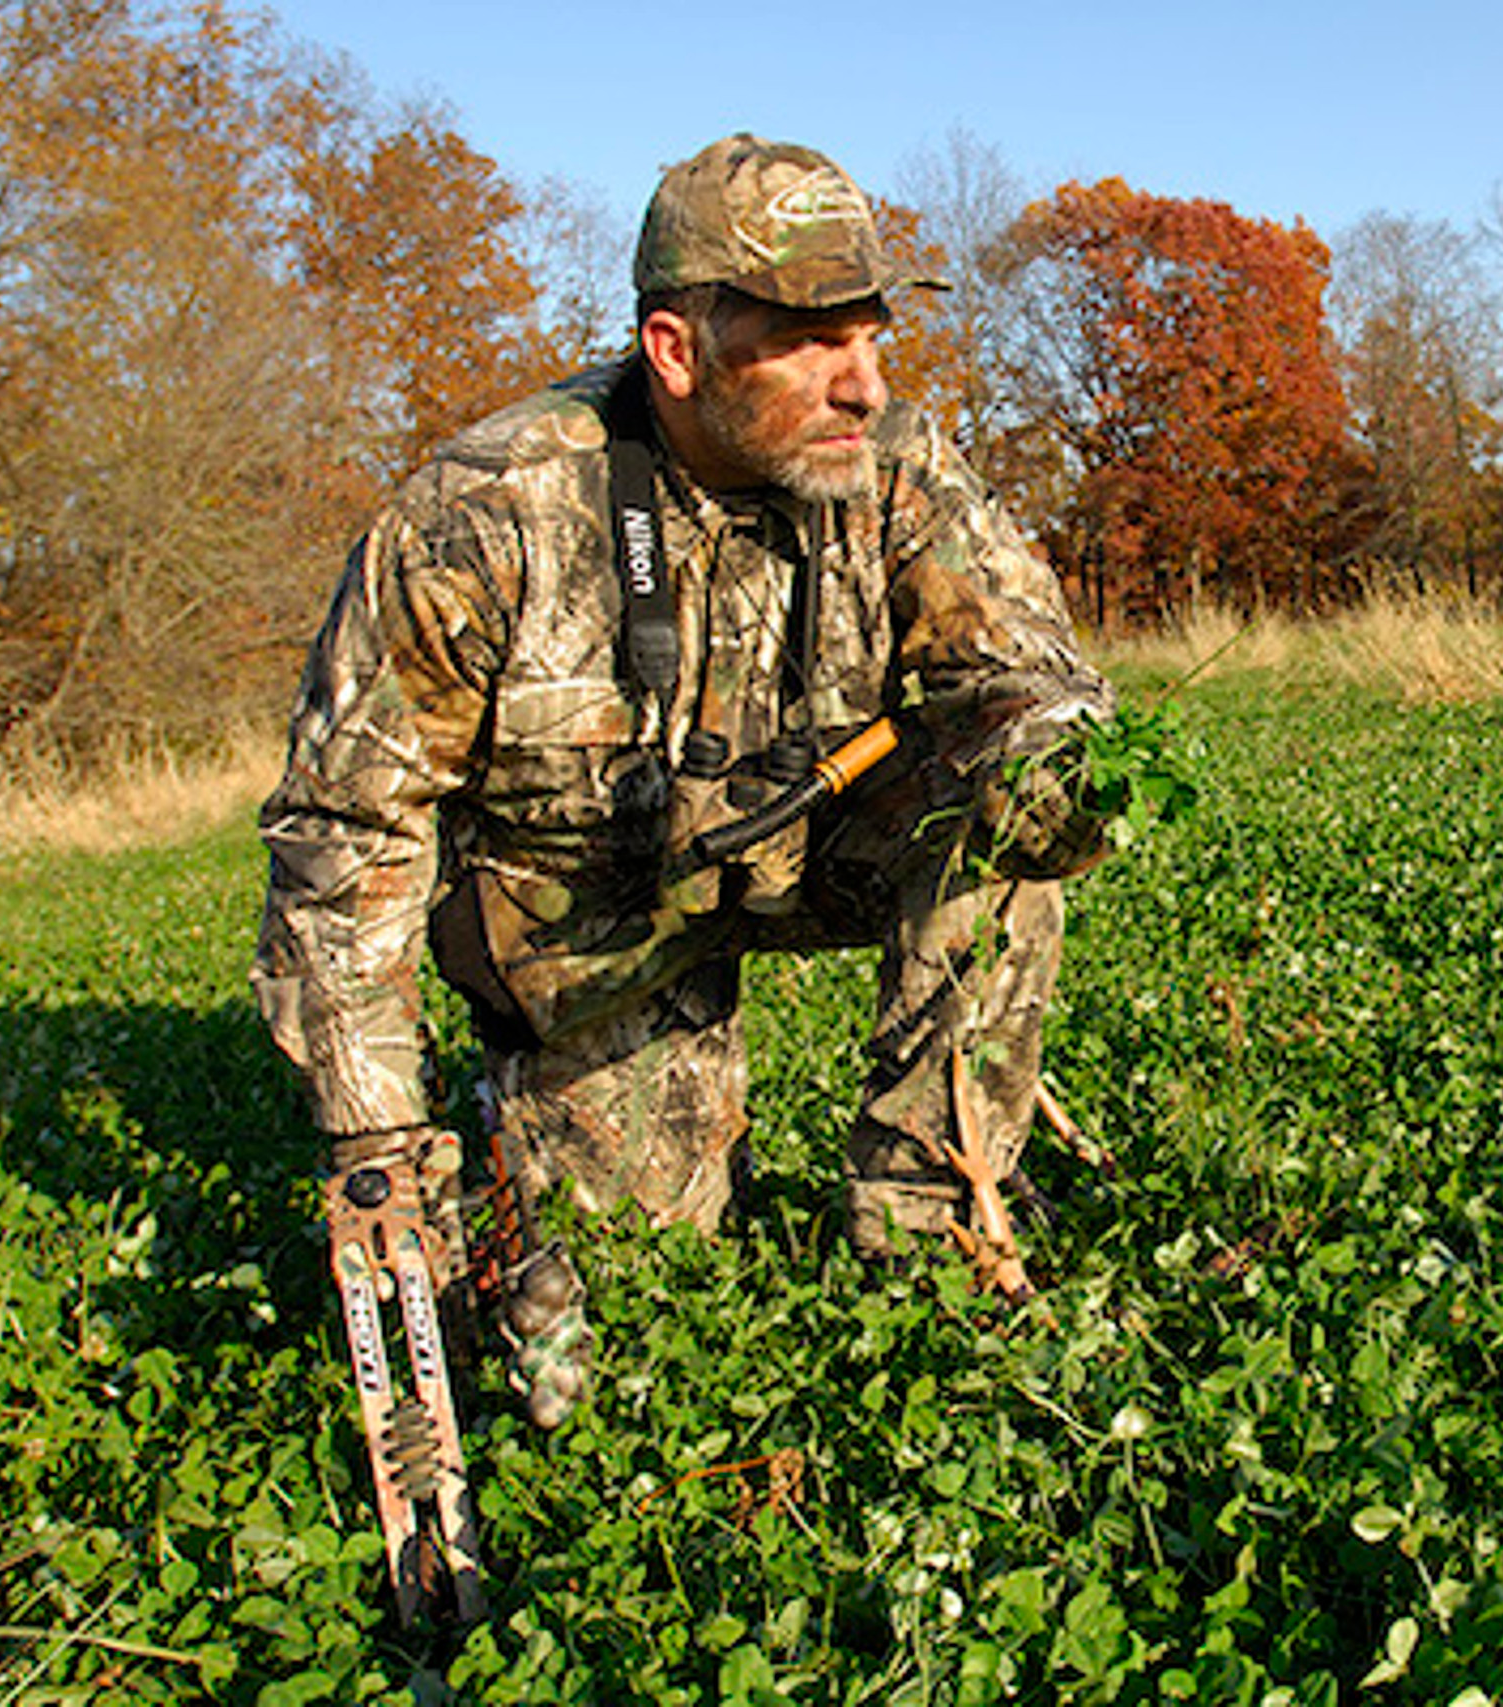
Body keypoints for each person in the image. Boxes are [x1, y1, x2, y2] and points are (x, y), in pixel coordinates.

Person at [253, 134, 1115, 1428]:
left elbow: (1028, 677)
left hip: (811, 845)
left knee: (1000, 806)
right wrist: (381, 1145)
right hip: (594, 926)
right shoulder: (484, 520)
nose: (864, 387)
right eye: (816, 342)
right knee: (613, 1342)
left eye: (875, 338)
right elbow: (347, 830)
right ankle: (545, 1139)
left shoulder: (902, 475)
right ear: (676, 350)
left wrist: (1060, 762)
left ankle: (939, 1238)